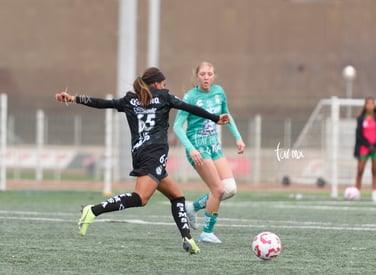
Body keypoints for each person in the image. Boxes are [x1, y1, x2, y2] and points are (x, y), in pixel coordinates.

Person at [54, 67, 230, 254]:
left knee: (177, 196)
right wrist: (215, 117)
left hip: (140, 154)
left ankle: (187, 239)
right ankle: (93, 210)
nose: (165, 86)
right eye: (163, 83)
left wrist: (74, 98)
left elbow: (103, 103)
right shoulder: (164, 97)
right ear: (156, 84)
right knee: (140, 198)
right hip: (154, 154)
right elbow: (189, 108)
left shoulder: (130, 100)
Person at [173, 62, 245, 243]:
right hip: (198, 147)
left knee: (230, 189)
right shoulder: (190, 97)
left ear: (214, 76)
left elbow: (226, 115)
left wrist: (238, 137)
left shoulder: (219, 92)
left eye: (209, 74)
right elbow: (177, 126)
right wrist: (191, 148)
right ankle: (207, 233)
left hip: (214, 146)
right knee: (218, 190)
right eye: (203, 74)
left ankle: (192, 207)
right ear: (197, 76)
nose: (206, 77)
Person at [353, 97, 376, 202]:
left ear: (375, 105)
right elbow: (359, 134)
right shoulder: (361, 119)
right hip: (364, 147)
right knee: (360, 170)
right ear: (365, 105)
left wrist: (375, 145)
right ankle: (356, 192)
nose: (370, 105)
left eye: (372, 104)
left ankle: (374, 193)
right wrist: (368, 145)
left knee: (374, 170)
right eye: (368, 103)